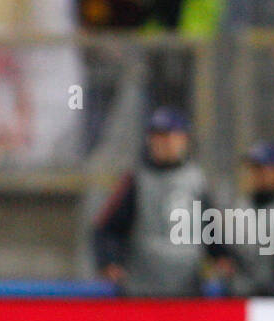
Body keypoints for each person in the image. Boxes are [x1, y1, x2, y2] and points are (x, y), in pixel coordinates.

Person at [94, 106, 225, 296]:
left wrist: (220, 256)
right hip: (142, 288)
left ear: (183, 139)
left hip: (187, 287)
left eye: (169, 136)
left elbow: (211, 227)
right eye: (157, 137)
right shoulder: (136, 180)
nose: (163, 143)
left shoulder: (196, 181)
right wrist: (109, 261)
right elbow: (107, 227)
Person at [218, 141, 274, 296]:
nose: (257, 175)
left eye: (263, 169)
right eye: (254, 169)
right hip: (244, 296)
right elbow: (233, 254)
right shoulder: (241, 206)